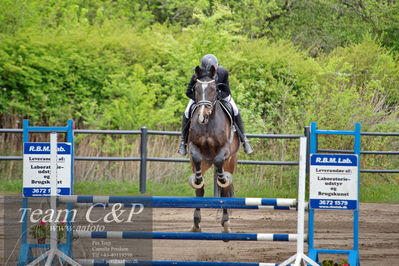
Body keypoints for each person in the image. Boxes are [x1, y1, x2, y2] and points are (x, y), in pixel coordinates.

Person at [178, 54, 253, 155]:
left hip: (220, 96)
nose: (215, 69)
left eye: (215, 67)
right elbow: (188, 92)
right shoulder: (197, 75)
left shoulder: (223, 72)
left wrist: (215, 98)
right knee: (187, 112)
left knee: (235, 110)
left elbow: (226, 91)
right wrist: (201, 100)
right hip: (201, 98)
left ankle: (244, 140)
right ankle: (183, 143)